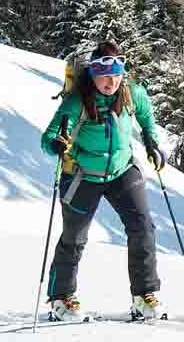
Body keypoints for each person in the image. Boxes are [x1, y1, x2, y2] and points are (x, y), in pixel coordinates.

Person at [39, 41, 169, 322]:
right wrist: (57, 145)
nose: (110, 82)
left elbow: (146, 117)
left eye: (115, 75)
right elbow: (48, 137)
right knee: (74, 238)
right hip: (82, 176)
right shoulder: (76, 101)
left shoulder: (132, 93)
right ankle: (61, 300)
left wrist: (151, 142)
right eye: (103, 76)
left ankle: (144, 296)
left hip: (122, 171)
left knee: (142, 227)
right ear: (92, 75)